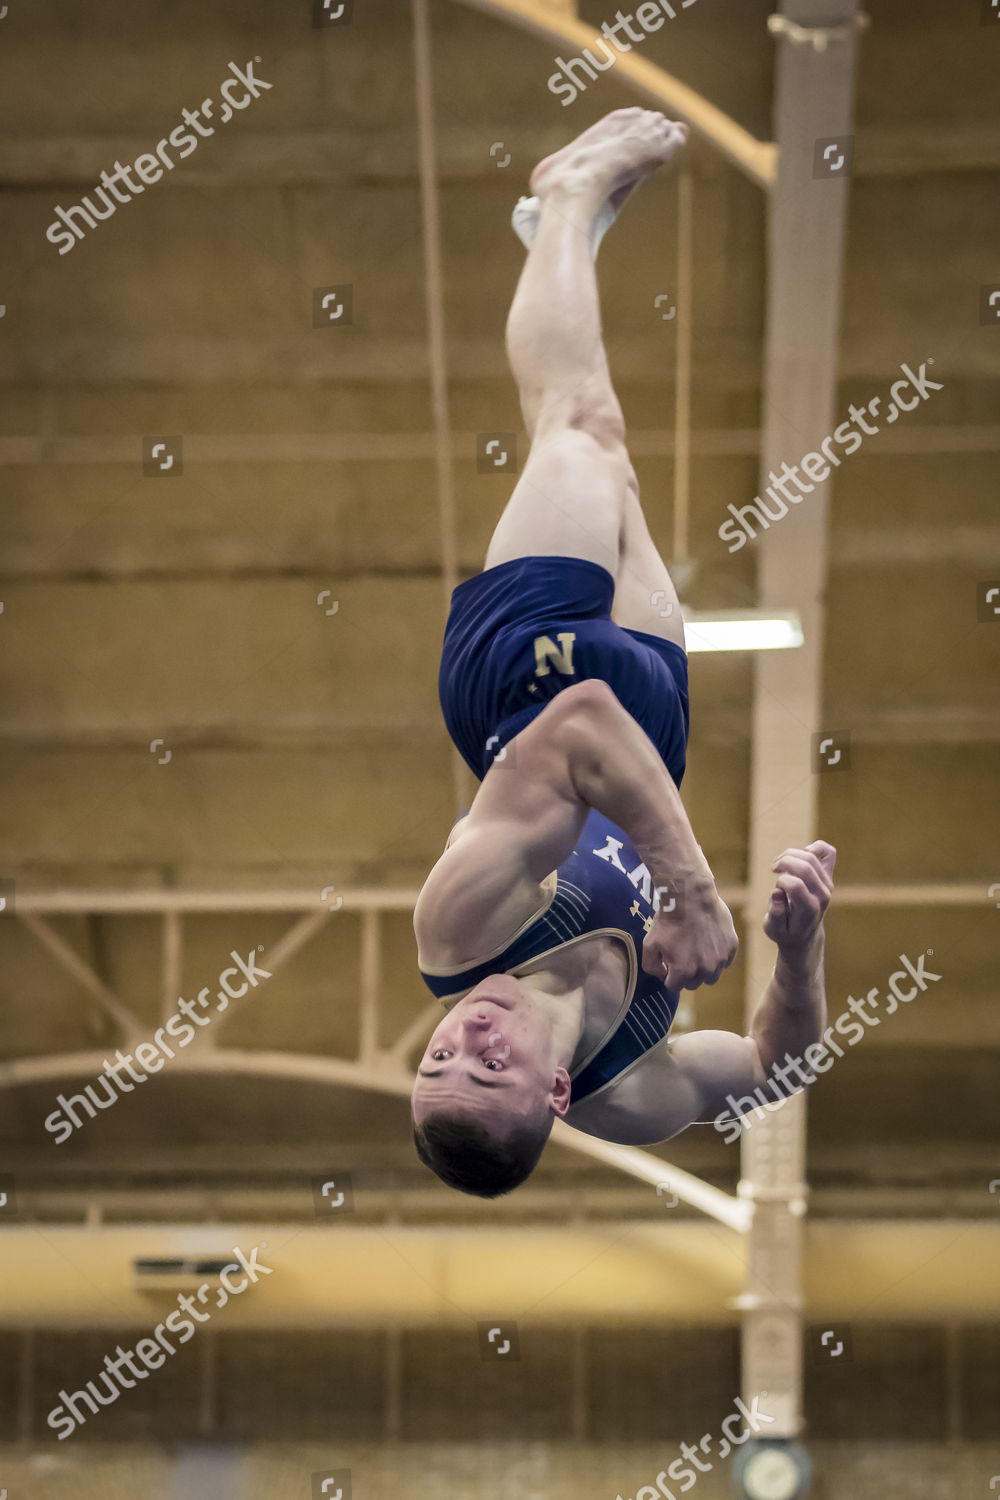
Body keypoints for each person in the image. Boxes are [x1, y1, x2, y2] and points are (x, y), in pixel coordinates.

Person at [410, 109, 836, 1198]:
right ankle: (558, 239)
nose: (468, 1039)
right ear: (554, 1100)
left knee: (577, 423)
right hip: (656, 719)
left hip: (526, 684)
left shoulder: (460, 930)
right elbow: (770, 1069)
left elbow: (583, 721)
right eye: (486, 1073)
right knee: (618, 457)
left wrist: (694, 893)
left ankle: (562, 191)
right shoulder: (625, 1090)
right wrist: (797, 953)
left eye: (439, 1057)